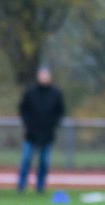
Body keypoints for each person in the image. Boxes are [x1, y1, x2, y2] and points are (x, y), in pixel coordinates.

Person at [17, 66, 66, 194]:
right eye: (42, 75)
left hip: (47, 133)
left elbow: (60, 112)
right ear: (38, 76)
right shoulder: (30, 92)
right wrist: (28, 124)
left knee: (44, 162)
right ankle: (21, 185)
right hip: (31, 133)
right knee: (26, 159)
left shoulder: (56, 93)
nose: (44, 78)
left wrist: (53, 125)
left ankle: (40, 186)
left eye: (46, 75)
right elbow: (23, 110)